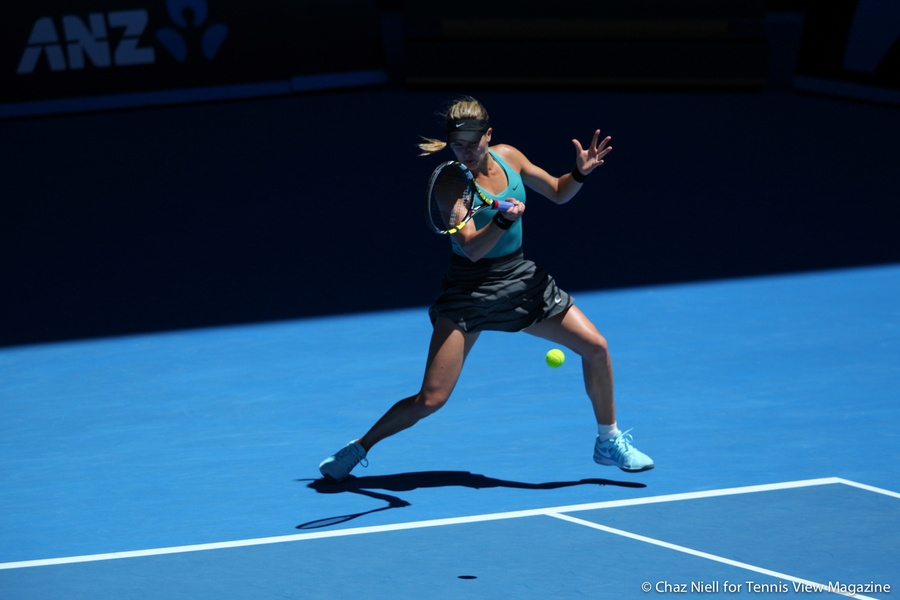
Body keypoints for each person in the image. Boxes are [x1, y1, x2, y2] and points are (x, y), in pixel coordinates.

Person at [319, 96, 653, 482]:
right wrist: (504, 220)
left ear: (488, 136)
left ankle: (608, 441)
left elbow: (559, 192)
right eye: (457, 145)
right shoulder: (451, 183)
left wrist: (578, 174)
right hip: (469, 290)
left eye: (473, 144)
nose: (466, 153)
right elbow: (473, 249)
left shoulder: (510, 156)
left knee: (596, 347)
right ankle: (360, 447)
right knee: (431, 398)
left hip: (520, 278)